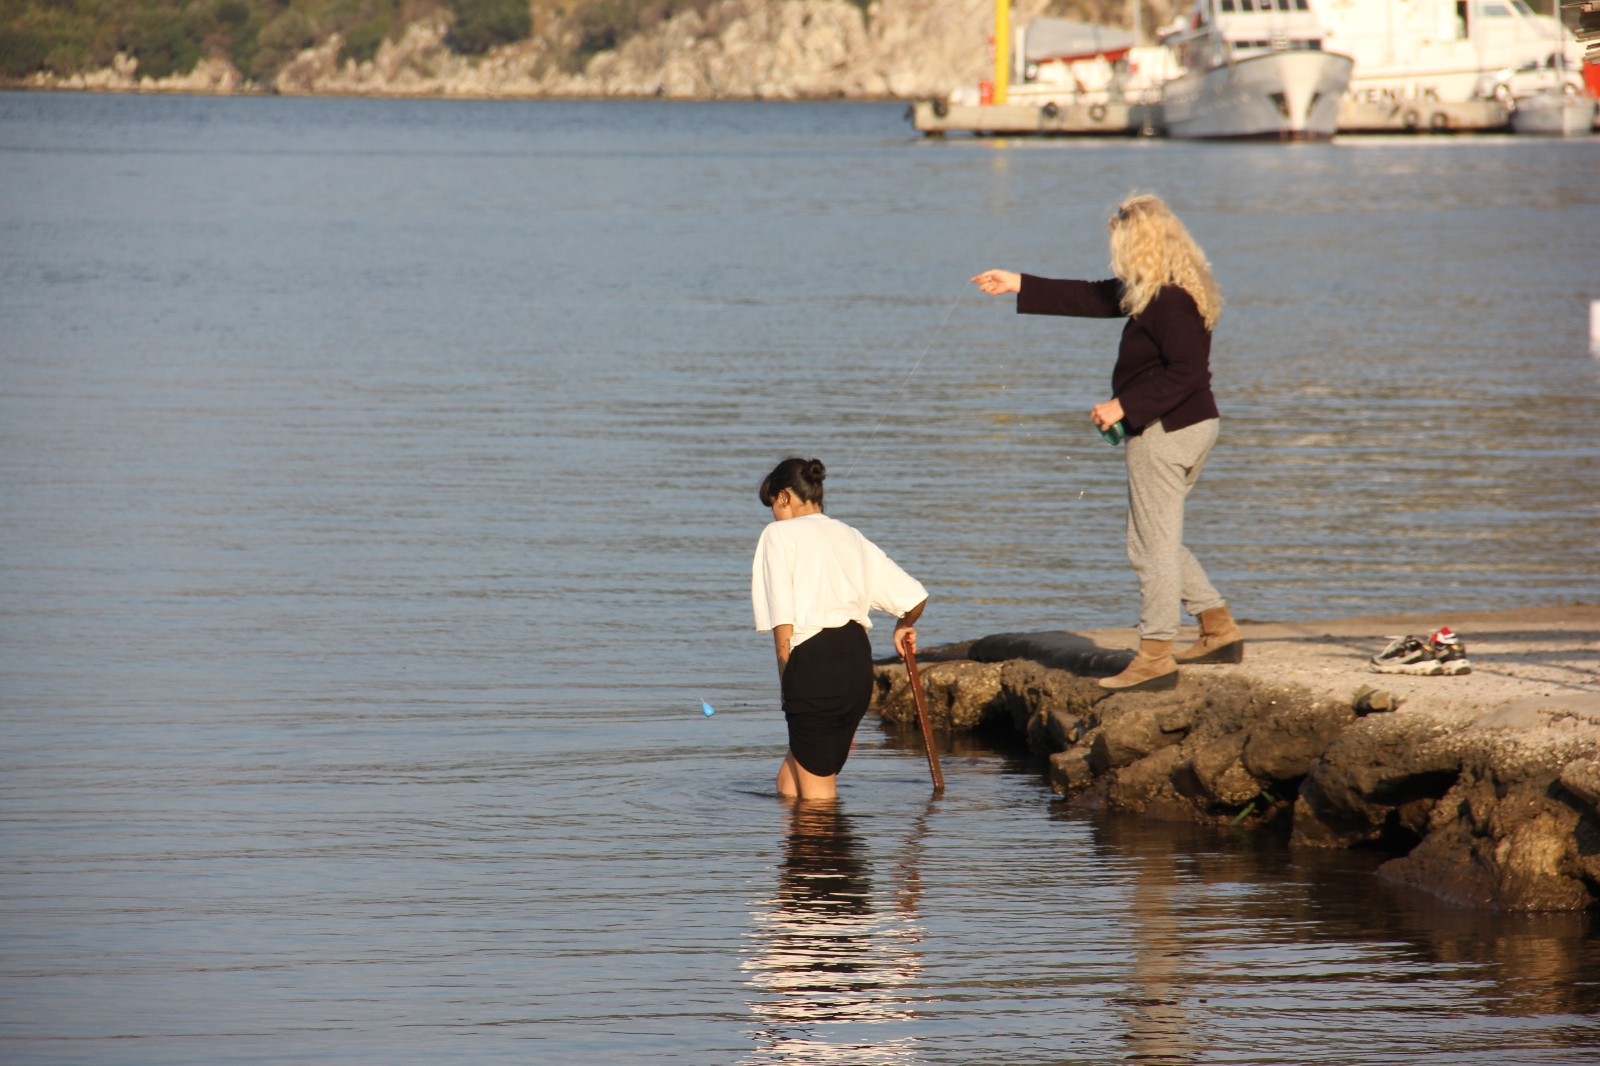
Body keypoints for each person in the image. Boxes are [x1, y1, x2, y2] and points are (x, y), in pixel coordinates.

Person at [971, 193, 1243, 693]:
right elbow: (1094, 298)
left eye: (1119, 245)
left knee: (1149, 546)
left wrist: (1125, 406)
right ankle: (1218, 628)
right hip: (1187, 426)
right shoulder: (1161, 288)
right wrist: (1019, 283)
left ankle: (1156, 655)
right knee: (1157, 536)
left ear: (1139, 246)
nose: (1114, 256)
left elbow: (1186, 371)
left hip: (1167, 431)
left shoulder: (1170, 300)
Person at [752, 457, 928, 800]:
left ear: (785, 496)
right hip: (857, 666)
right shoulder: (851, 536)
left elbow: (783, 623)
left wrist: (787, 688)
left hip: (814, 666)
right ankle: (800, 836)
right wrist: (903, 626)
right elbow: (915, 597)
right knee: (788, 787)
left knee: (817, 800)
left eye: (772, 504)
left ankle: (823, 837)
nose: (773, 515)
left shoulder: (778, 535)